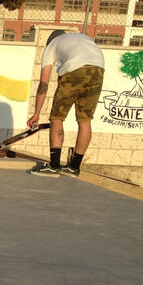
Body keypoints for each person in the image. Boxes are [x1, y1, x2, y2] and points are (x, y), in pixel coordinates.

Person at [27, 29, 105, 177]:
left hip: (75, 69)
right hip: (98, 69)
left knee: (57, 117)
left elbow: (44, 84)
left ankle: (54, 166)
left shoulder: (51, 46)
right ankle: (74, 167)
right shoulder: (82, 37)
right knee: (85, 120)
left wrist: (36, 114)